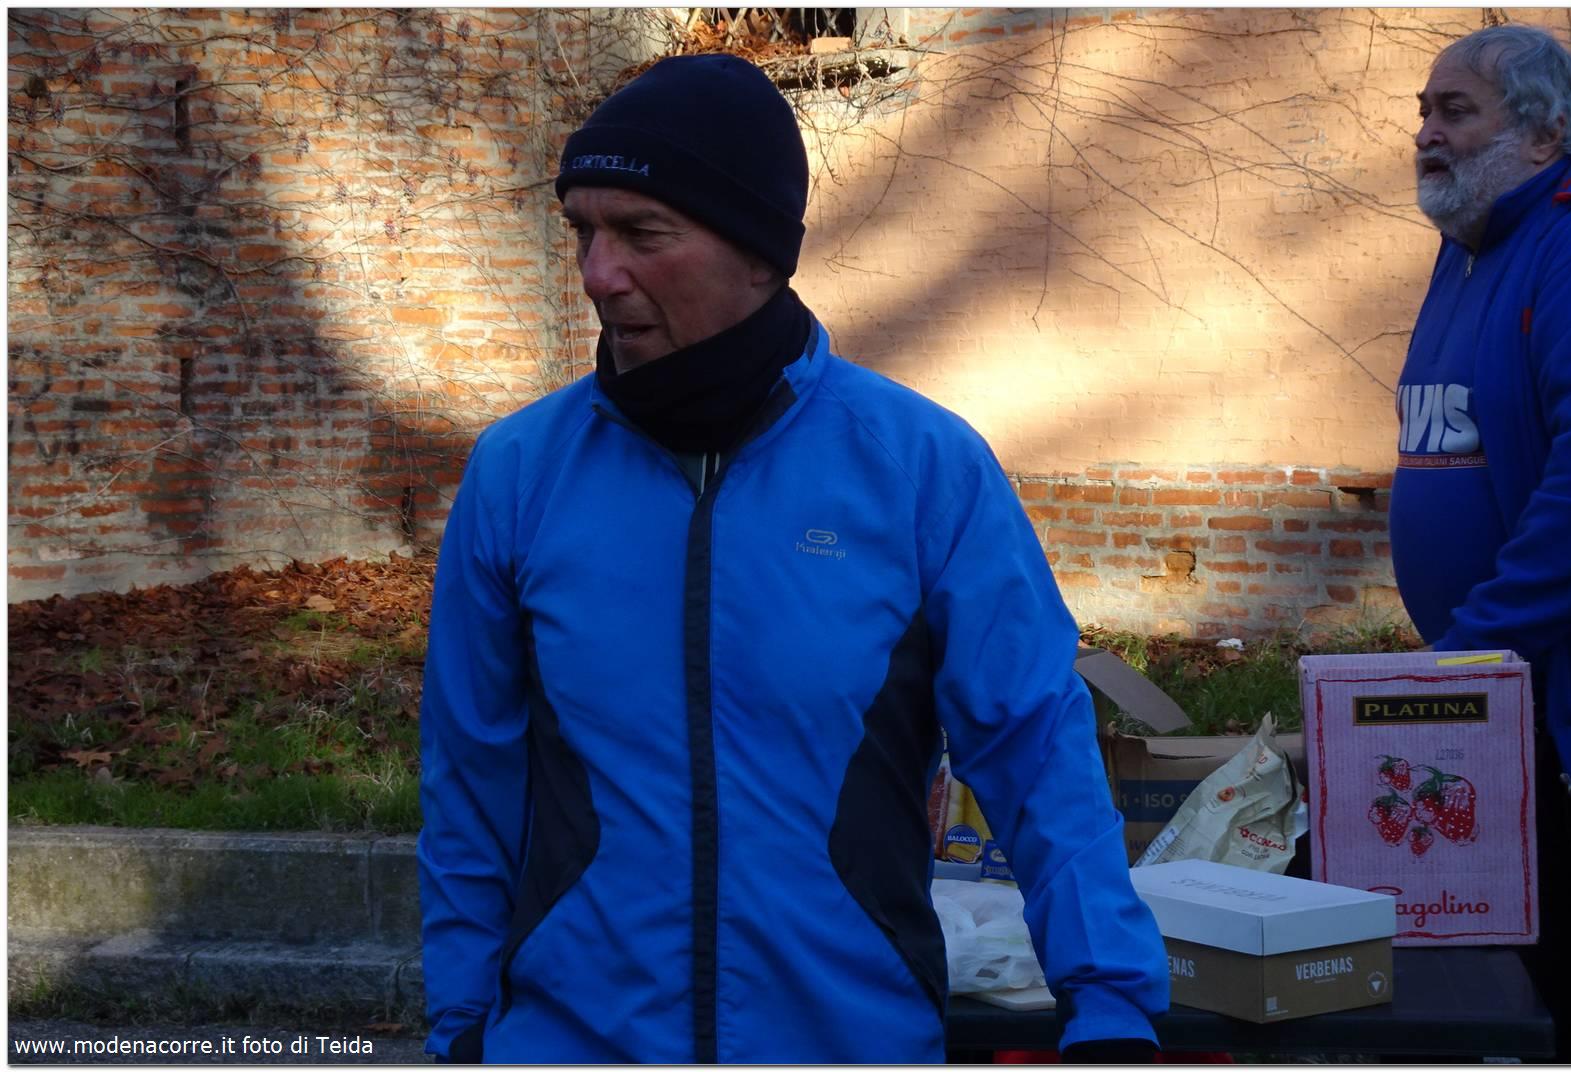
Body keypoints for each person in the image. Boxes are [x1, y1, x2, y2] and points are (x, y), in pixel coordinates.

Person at [415, 53, 1168, 1063]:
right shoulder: (518, 473)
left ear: (761, 255)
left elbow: (1036, 750)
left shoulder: (920, 469)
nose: (597, 272)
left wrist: (1108, 1000)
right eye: (582, 231)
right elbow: (469, 781)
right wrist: (462, 1027)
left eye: (641, 233)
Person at [1393, 24, 1571, 1063]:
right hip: (1490, 688)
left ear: (1545, 131)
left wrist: (1475, 649)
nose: (1425, 132)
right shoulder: (1465, 247)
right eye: (1422, 112)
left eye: (1455, 111)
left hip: (1559, 698)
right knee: (1517, 975)